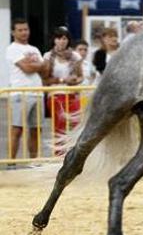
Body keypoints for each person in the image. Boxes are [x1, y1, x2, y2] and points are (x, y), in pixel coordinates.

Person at [5, 18, 45, 161]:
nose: (24, 32)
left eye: (26, 29)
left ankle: (33, 163)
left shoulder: (34, 49)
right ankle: (11, 163)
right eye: (20, 30)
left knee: (36, 130)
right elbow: (27, 69)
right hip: (20, 93)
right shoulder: (12, 49)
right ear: (13, 32)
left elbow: (45, 69)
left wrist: (35, 64)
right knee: (17, 129)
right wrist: (37, 64)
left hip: (37, 93)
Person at [41, 27, 84, 155]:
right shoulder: (48, 56)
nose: (61, 41)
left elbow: (81, 76)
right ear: (54, 40)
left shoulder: (75, 55)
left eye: (64, 38)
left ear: (68, 40)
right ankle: (58, 156)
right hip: (55, 94)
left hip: (72, 94)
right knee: (59, 127)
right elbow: (45, 80)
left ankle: (73, 155)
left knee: (76, 125)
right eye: (59, 38)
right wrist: (63, 80)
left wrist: (76, 80)